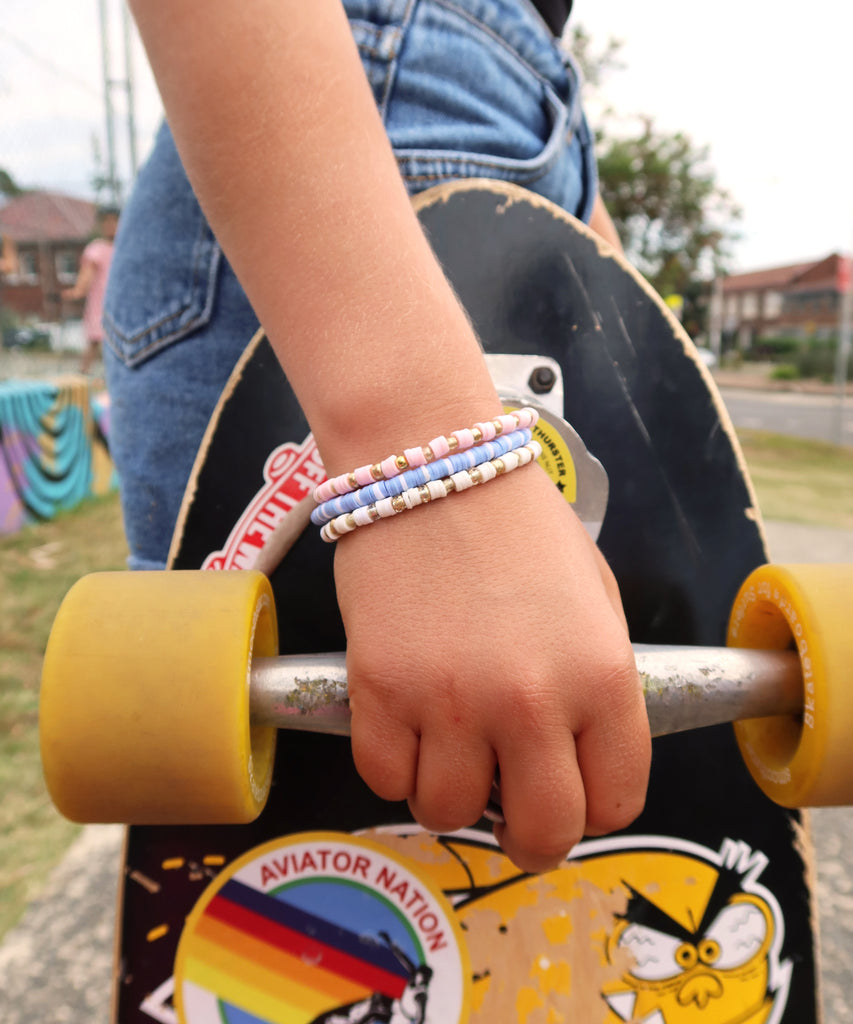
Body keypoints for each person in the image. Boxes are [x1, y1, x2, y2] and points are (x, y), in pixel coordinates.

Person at [104, 0, 650, 873]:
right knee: (247, 811)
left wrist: (623, 322)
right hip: (341, 104)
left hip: (527, 119)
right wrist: (424, 440)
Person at [62, 206, 119, 374]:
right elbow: (86, 275)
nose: (110, 226)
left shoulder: (125, 247)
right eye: (106, 222)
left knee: (118, 342)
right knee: (96, 340)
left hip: (121, 302)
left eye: (114, 221)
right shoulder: (97, 248)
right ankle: (84, 374)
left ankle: (115, 377)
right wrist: (77, 291)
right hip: (101, 302)